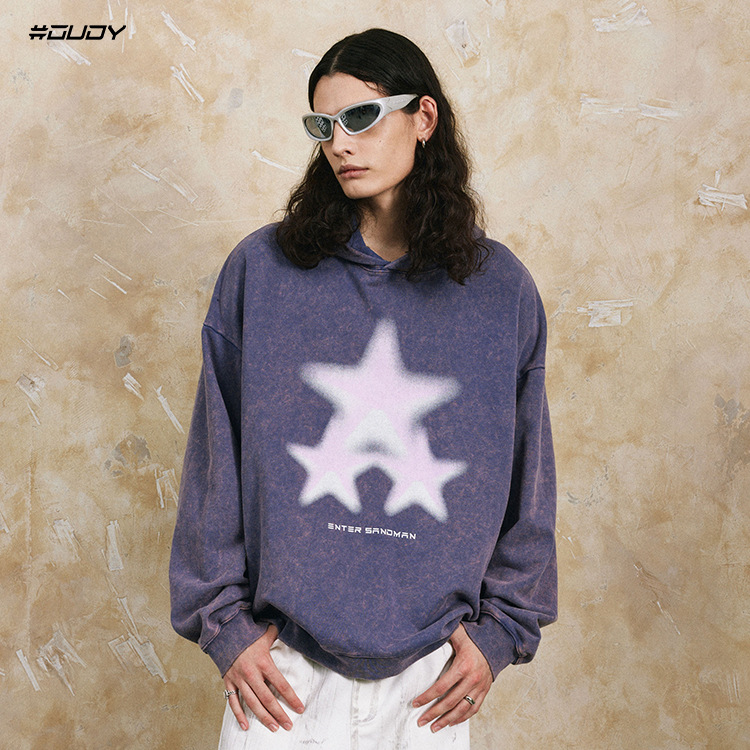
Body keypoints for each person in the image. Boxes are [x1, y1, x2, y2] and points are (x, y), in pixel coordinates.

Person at [169, 27, 557, 749]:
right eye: (324, 126)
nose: (340, 144)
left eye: (361, 117)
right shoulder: (263, 271)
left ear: (423, 117)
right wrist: (225, 627)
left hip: (430, 681)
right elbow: (213, 463)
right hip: (280, 674)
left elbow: (529, 482)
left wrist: (500, 633)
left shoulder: (499, 291)